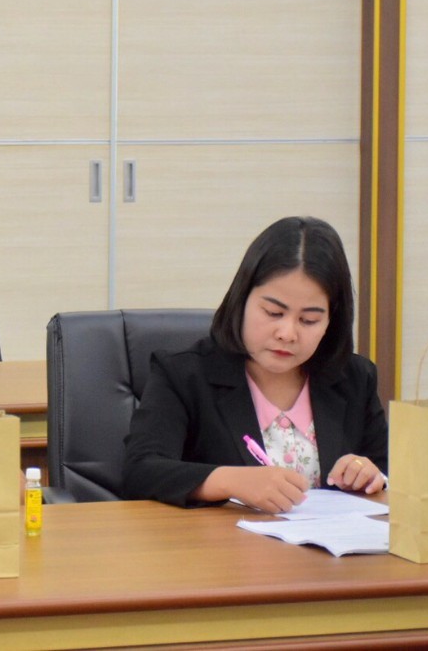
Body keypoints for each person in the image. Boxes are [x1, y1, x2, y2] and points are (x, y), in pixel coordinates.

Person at [122, 216, 388, 513]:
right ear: (242, 299)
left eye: (309, 320)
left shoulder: (355, 379)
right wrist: (229, 481)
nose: (287, 333)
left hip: (327, 543)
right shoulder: (183, 375)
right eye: (273, 312)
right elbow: (140, 471)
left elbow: (389, 470)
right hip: (218, 542)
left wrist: (369, 475)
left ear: (331, 320)